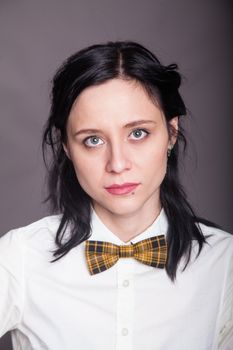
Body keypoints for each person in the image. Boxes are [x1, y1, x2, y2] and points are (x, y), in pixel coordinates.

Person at [0, 41, 232, 350]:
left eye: (138, 133)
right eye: (93, 140)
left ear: (171, 133)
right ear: (68, 147)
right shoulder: (20, 256)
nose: (118, 164)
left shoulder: (225, 264)